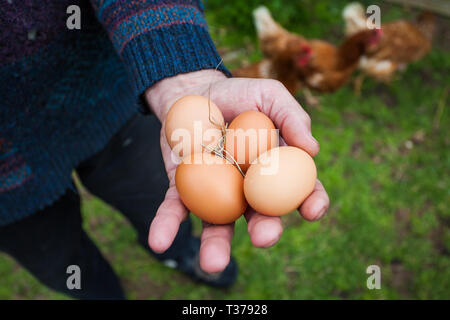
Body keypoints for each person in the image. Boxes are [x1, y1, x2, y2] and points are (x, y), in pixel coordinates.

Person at [0, 0, 330, 299]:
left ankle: (178, 251)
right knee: (57, 256)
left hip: (105, 98)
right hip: (7, 188)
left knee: (151, 194)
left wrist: (179, 70)